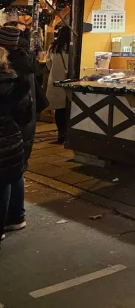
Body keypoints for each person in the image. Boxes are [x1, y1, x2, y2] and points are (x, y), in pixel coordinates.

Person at [0, 25, 38, 236]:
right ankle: (16, 216)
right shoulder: (23, 62)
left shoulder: (11, 68)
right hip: (20, 128)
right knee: (14, 172)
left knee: (9, 175)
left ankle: (13, 216)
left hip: (14, 129)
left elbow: (21, 106)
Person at [46, 26, 71, 144]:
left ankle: (61, 134)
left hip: (56, 82)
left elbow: (48, 64)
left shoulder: (53, 48)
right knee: (69, 109)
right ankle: (69, 134)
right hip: (70, 82)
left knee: (59, 111)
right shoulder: (72, 48)